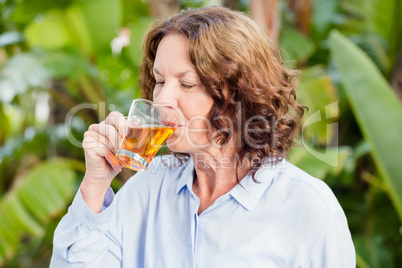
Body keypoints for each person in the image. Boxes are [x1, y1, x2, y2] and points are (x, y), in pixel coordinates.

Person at [50, 6, 355, 267]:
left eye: (187, 83)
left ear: (239, 94)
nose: (163, 99)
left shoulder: (309, 209)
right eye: (159, 81)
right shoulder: (145, 192)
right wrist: (94, 186)